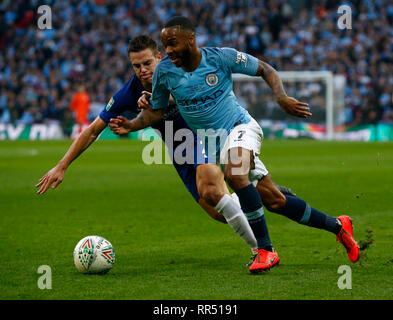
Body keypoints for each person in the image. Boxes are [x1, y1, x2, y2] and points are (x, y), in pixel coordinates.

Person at [35, 35, 296, 261]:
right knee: (217, 211)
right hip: (179, 148)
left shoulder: (179, 70)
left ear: (159, 57)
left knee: (213, 188)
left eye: (147, 63)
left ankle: (262, 251)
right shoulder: (128, 92)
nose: (143, 70)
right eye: (136, 66)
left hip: (204, 137)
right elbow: (93, 130)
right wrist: (63, 164)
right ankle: (261, 196)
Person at [133, 16, 359, 273]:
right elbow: (157, 112)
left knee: (235, 173)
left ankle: (266, 250)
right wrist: (131, 125)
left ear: (190, 39)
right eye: (165, 44)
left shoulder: (219, 58)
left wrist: (282, 97)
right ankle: (339, 226)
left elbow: (265, 68)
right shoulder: (165, 71)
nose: (168, 50)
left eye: (172, 43)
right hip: (217, 145)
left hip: (241, 127)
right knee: (276, 201)